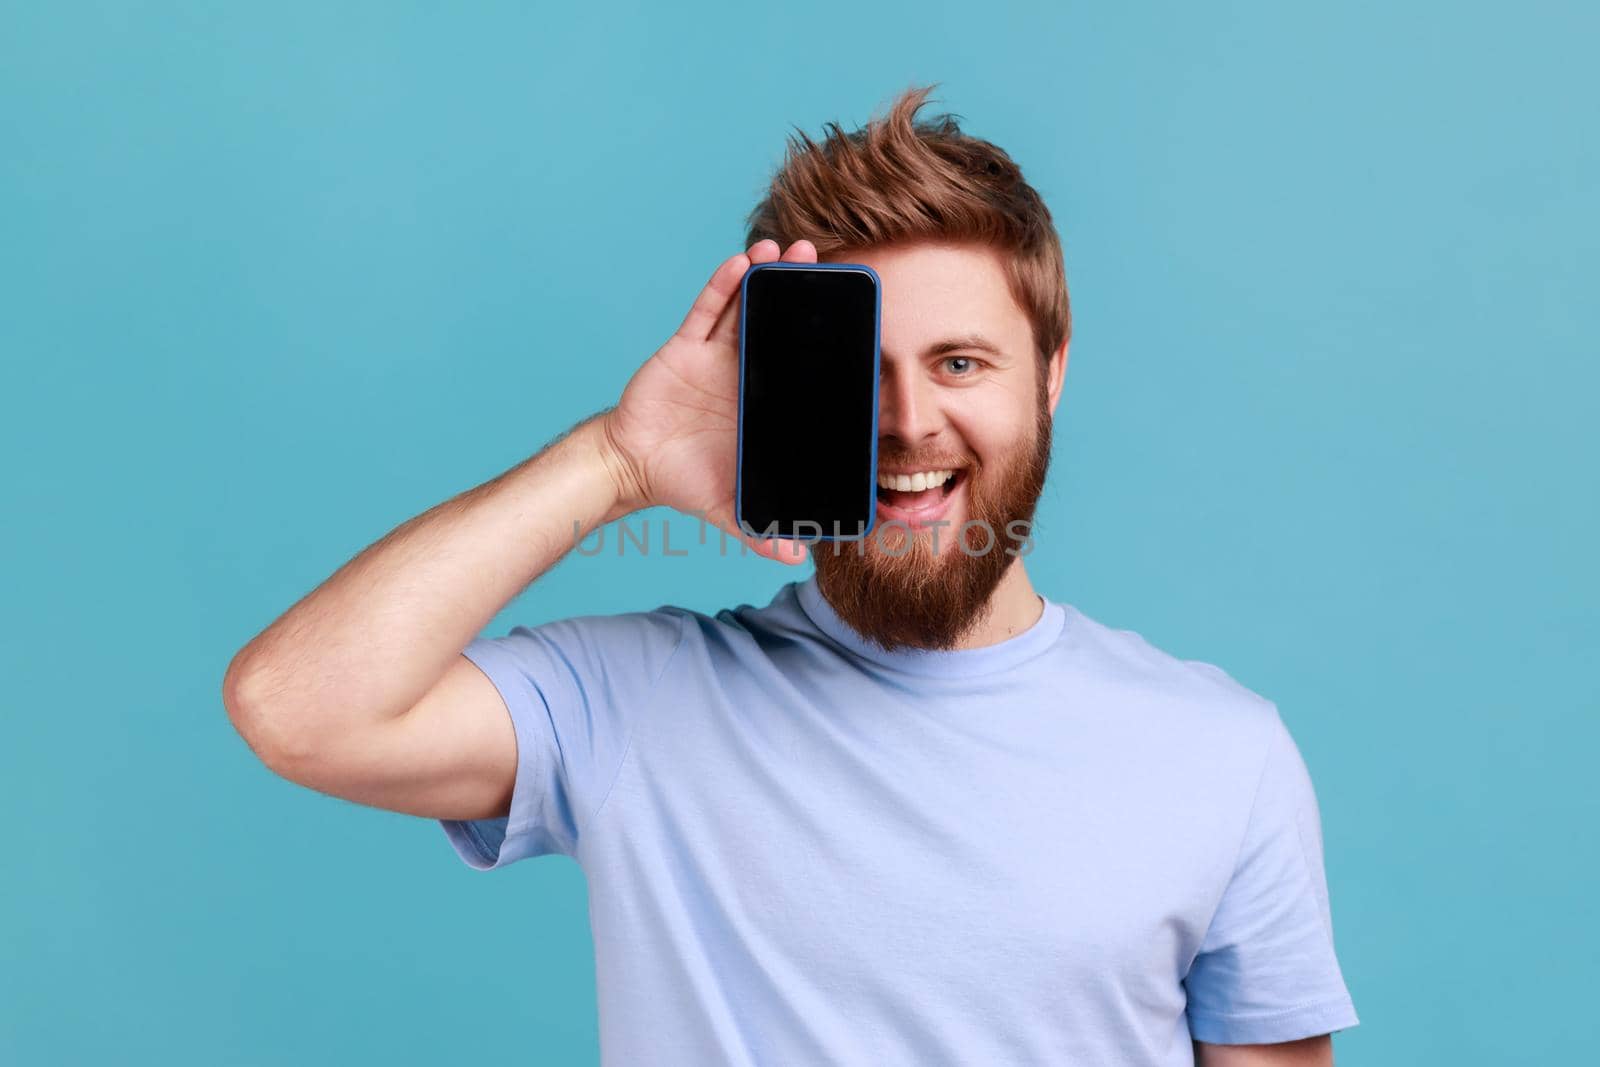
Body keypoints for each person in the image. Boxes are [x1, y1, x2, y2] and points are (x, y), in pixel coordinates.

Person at [223, 84, 1359, 1066]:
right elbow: (298, 709)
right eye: (858, 370)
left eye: (960, 362)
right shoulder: (638, 702)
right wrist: (616, 460)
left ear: (1048, 375)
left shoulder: (1220, 750)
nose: (909, 422)